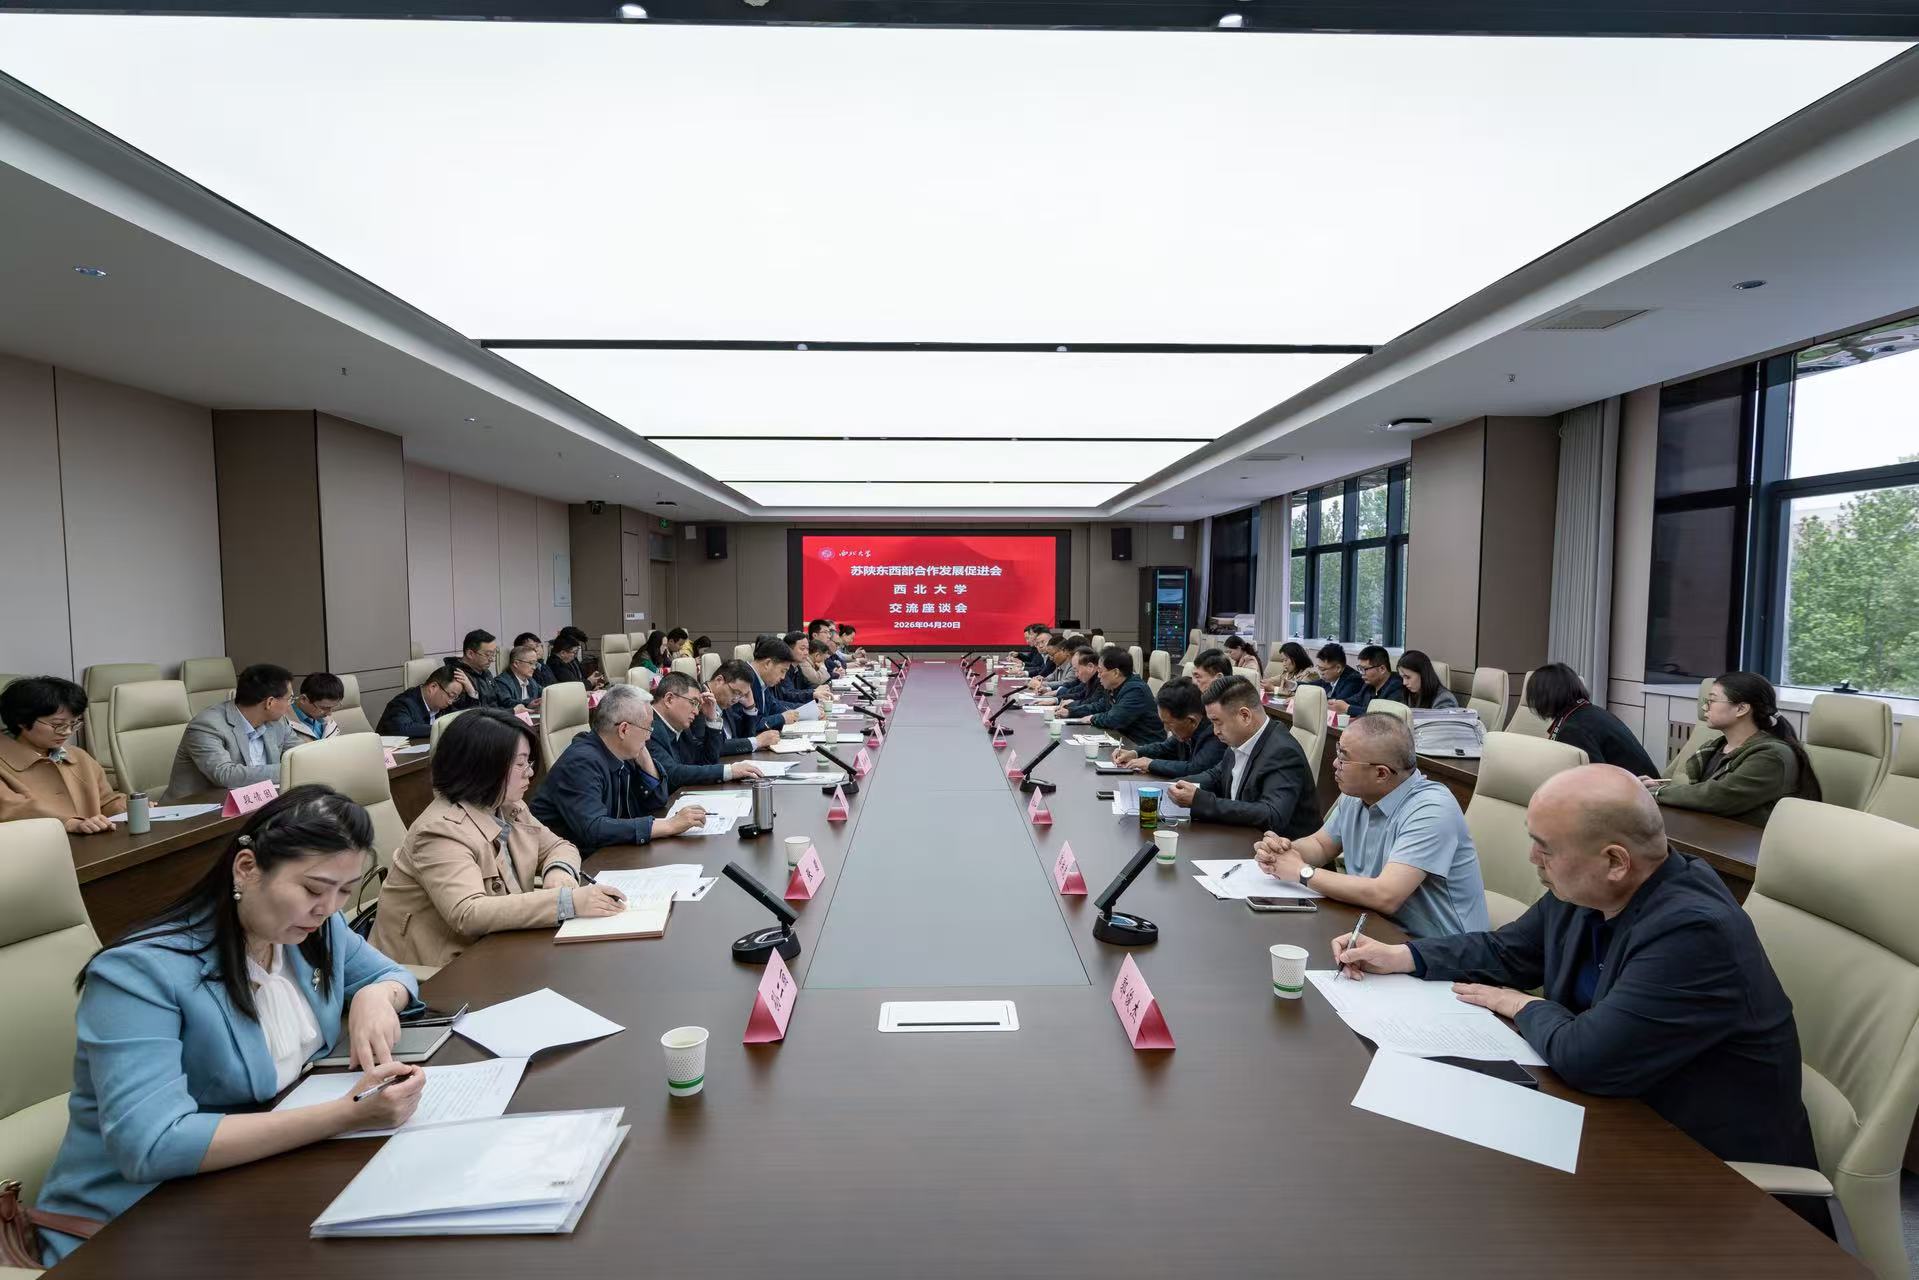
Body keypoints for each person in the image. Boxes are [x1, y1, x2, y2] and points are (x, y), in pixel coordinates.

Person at [1333, 764, 1819, 1172]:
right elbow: (1506, 952)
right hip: (1612, 1118)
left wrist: (1522, 1005)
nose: (1532, 857)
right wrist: (1403, 957)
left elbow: (1589, 1057)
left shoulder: (1693, 932)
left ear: (1615, 861)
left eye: (1545, 846)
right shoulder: (1589, 892)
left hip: (1700, 1169)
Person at [31, 786, 425, 1265]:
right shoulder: (138, 974)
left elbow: (393, 976)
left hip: (254, 1185)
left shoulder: (313, 931)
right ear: (246, 868)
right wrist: (346, 1114)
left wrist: (375, 995)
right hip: (133, 1224)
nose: (327, 908)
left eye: (345, 891)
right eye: (313, 889)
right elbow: (152, 1144)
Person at [371, 709, 626, 968]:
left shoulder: (507, 805)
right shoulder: (440, 831)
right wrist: (566, 902)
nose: (530, 773)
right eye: (520, 764)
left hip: (500, 946)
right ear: (483, 767)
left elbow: (559, 846)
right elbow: (469, 912)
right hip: (443, 970)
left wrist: (558, 872)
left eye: (529, 762)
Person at [1253, 713, 1487, 937]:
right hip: (1374, 928)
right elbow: (1321, 845)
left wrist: (1302, 871)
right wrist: (1283, 851)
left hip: (1437, 949)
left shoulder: (1432, 810)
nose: (1334, 763)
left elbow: (1386, 896)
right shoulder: (1357, 794)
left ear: (1381, 774)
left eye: (1344, 758)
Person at [529, 684, 708, 855]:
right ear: (623, 730)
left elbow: (657, 800)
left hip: (608, 853)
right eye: (648, 728)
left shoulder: (622, 752)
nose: (649, 736)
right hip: (577, 862)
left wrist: (644, 758)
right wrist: (669, 825)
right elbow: (595, 829)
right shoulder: (580, 762)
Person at [1653, 672, 1821, 826]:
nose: (1705, 707)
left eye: (1712, 701)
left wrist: (1657, 792)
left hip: (1745, 843)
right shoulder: (1714, 747)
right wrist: (1653, 786)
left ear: (1741, 709)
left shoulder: (1772, 756)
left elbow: (1717, 797)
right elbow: (1699, 790)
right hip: (1710, 830)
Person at [1168, 676, 1319, 836]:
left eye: (1218, 722)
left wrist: (1201, 801)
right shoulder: (1240, 739)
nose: (1215, 731)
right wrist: (1169, 786)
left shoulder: (1283, 752)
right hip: (1242, 838)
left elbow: (1272, 815)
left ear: (1245, 716)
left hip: (1283, 847)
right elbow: (1215, 776)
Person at [0, 676, 126, 831]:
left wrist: (128, 807)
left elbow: (105, 801)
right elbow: (11, 809)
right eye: (58, 725)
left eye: (73, 723)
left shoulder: (78, 757)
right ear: (22, 721)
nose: (67, 732)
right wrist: (68, 823)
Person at [164, 664, 298, 803]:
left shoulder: (278, 722)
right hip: (198, 809)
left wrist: (301, 766)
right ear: (270, 702)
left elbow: (301, 754)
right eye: (289, 699)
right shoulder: (207, 725)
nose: (290, 705)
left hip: (258, 805)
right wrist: (292, 770)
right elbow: (225, 775)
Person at [1524, 662, 1659, 777]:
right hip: (1644, 789)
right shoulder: (1591, 713)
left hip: (1639, 794)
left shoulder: (1574, 729)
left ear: (1544, 697)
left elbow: (1593, 781)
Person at [648, 672, 769, 788]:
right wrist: (729, 771)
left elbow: (706, 760)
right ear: (669, 699)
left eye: (698, 705)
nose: (696, 711)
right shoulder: (649, 728)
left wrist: (712, 719)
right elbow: (672, 774)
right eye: (693, 702)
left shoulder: (680, 727)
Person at [1111, 677, 1224, 780]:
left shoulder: (1215, 733)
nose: (1166, 729)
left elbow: (1195, 769)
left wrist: (1150, 764)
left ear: (1191, 721)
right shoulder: (1186, 731)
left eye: (1169, 723)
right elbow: (1164, 748)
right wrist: (1135, 753)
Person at [1056, 646, 1161, 743]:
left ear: (1115, 673)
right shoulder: (1112, 686)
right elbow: (1098, 706)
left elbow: (1114, 718)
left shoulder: (1136, 690)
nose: (1098, 676)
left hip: (1141, 745)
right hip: (1122, 739)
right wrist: (1070, 711)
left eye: (1100, 671)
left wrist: (1092, 718)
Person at [708, 660, 793, 744]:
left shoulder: (725, 703)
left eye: (741, 695)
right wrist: (757, 742)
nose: (736, 699)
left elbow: (744, 736)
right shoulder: (703, 702)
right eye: (736, 692)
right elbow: (717, 746)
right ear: (719, 680)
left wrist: (750, 708)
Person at [376, 666, 461, 740]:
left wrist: (469, 690)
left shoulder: (444, 705)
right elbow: (403, 728)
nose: (451, 702)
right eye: (451, 695)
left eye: (455, 698)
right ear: (433, 687)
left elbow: (463, 719)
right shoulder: (402, 703)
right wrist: (442, 728)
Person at [1329, 644, 1406, 716]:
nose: (1361, 673)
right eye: (1360, 669)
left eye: (1365, 669)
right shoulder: (1369, 684)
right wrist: (1335, 702)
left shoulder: (1396, 686)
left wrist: (1348, 708)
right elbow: (1355, 700)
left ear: (1382, 669)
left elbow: (1383, 715)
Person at [285, 673, 344, 744]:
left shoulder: (325, 718)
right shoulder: (283, 723)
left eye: (333, 707)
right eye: (324, 708)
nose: (329, 713)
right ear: (303, 699)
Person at [445, 630, 496, 710]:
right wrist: (472, 694)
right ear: (470, 654)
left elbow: (498, 700)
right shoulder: (456, 676)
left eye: (493, 654)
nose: (492, 659)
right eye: (488, 655)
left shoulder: (485, 672)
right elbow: (464, 713)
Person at [489, 642, 545, 710]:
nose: (534, 667)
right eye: (531, 663)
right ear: (516, 663)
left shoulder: (531, 681)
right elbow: (507, 702)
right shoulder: (501, 682)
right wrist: (528, 704)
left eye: (535, 664)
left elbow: (545, 692)